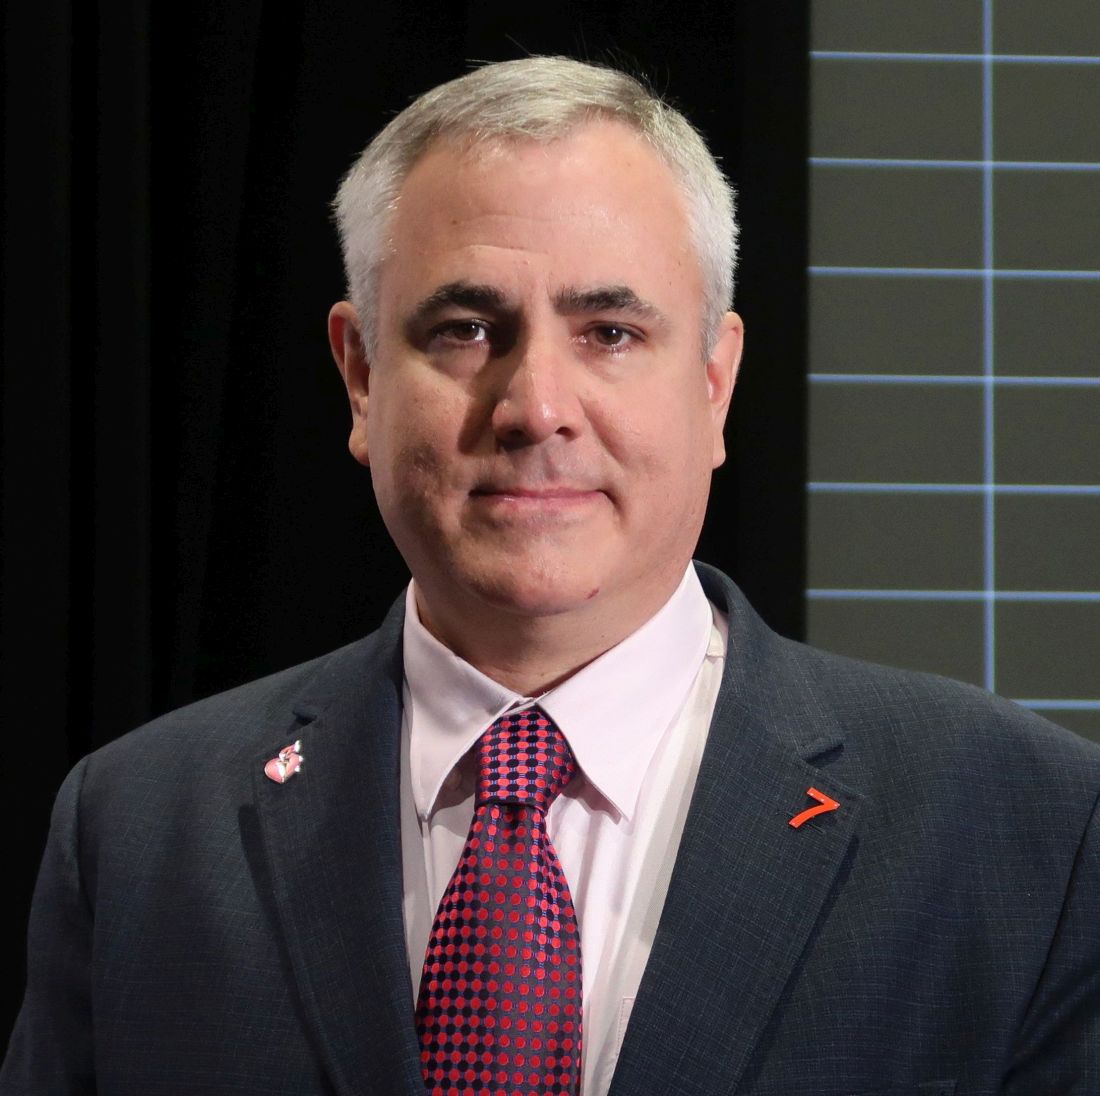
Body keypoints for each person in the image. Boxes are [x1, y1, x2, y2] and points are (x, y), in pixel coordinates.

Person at [3, 56, 1099, 1096]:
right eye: (465, 329)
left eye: (610, 332)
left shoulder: (1031, 831)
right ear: (361, 376)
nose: (535, 408)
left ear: (714, 382)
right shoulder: (137, 829)